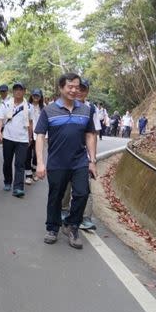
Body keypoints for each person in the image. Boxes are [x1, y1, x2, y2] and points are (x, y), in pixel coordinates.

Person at [33, 72, 97, 250]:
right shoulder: (49, 110)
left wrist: (92, 160)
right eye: (70, 86)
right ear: (61, 88)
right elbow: (39, 136)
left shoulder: (86, 110)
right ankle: (52, 228)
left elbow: (90, 134)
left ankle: (72, 225)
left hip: (79, 162)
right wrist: (40, 162)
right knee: (56, 196)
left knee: (82, 194)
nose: (74, 90)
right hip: (57, 162)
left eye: (77, 87)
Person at [61, 79, 97, 231]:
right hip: (66, 154)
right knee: (66, 185)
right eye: (78, 88)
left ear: (87, 91)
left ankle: (85, 217)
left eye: (83, 89)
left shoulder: (91, 109)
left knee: (84, 188)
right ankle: (63, 210)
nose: (80, 91)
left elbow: (93, 134)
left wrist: (92, 159)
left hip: (83, 155)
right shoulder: (65, 106)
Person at [0, 82, 33, 198]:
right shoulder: (6, 105)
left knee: (20, 164)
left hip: (22, 139)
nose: (18, 91)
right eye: (16, 89)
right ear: (13, 91)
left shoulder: (29, 107)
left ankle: (18, 188)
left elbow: (30, 123)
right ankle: (7, 181)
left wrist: (30, 136)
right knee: (7, 162)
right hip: (8, 137)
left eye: (20, 89)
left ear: (24, 91)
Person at [25, 88, 44, 185]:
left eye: (38, 96)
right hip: (28, 132)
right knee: (27, 154)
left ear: (41, 97)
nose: (36, 97)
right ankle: (28, 174)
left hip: (40, 134)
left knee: (37, 154)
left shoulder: (43, 108)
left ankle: (34, 169)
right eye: (34, 95)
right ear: (31, 96)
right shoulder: (27, 106)